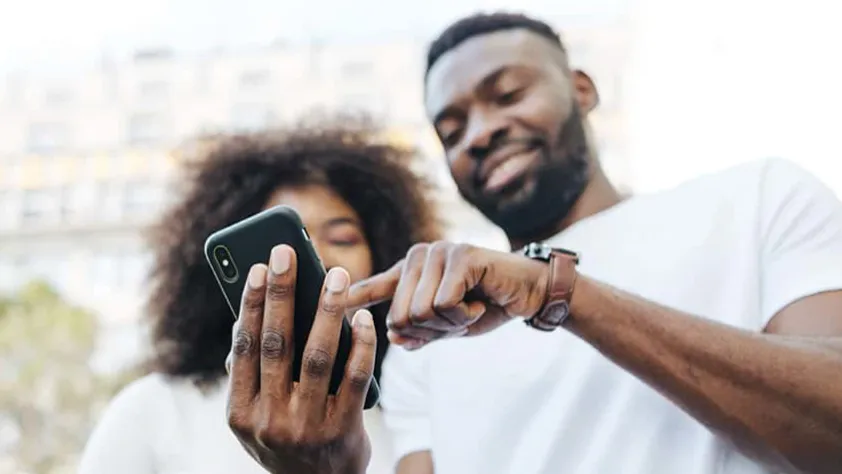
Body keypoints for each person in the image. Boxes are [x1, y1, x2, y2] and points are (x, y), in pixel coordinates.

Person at [227, 12, 842, 474]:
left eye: (508, 94)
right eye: (451, 129)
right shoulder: (423, 338)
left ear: (581, 88)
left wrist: (557, 291)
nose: (480, 133)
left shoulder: (759, 198)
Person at [77, 118, 441, 474]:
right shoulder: (155, 408)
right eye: (287, 242)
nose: (317, 257)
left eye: (343, 239)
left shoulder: (409, 420)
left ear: (382, 258)